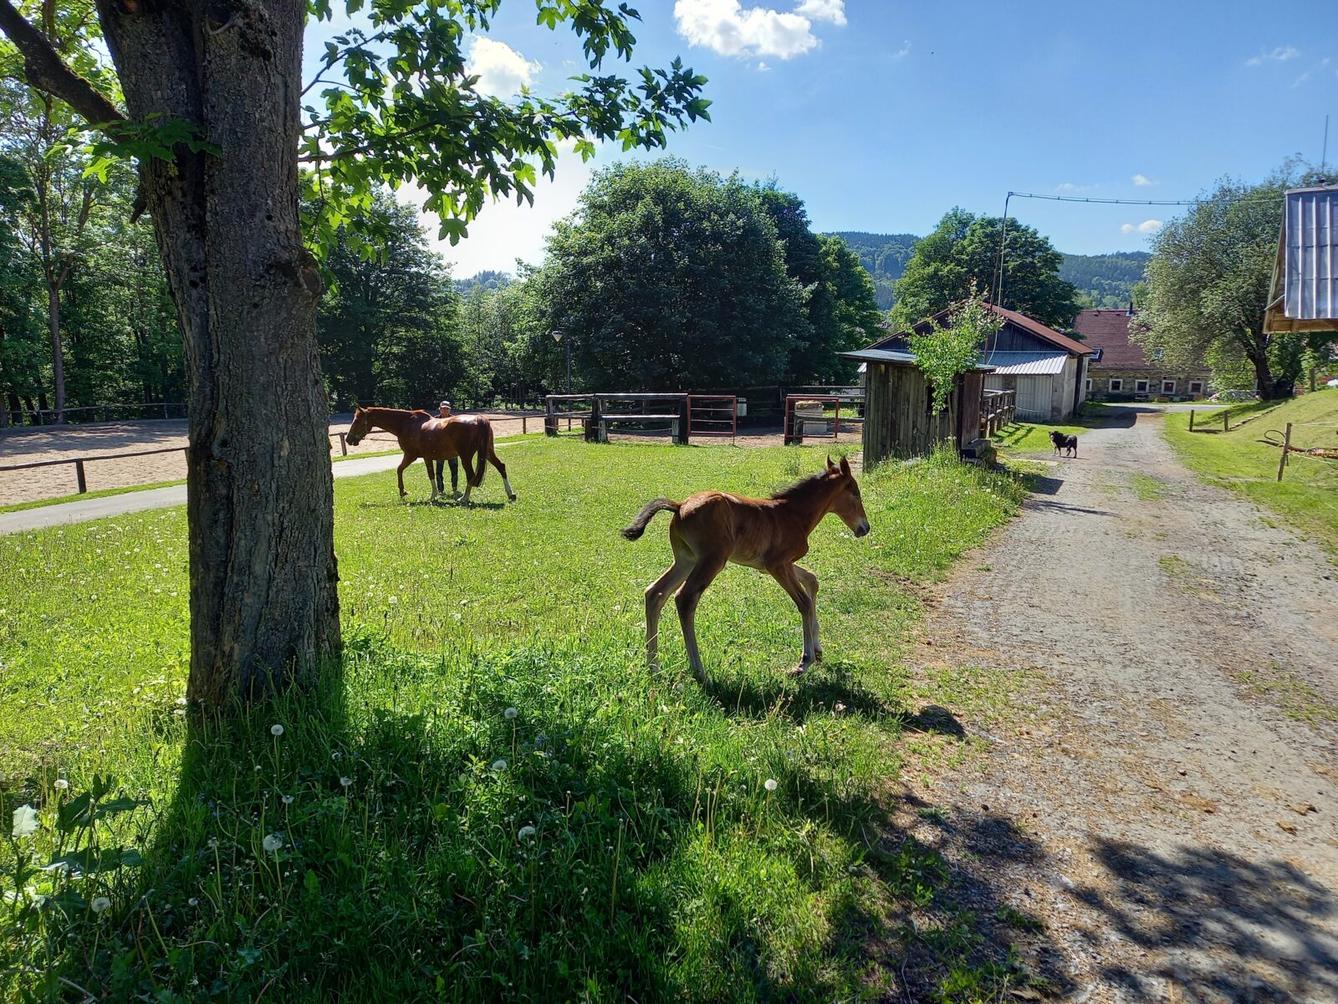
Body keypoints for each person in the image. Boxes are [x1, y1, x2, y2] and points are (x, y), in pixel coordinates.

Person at [434, 400, 460, 495]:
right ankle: (440, 490)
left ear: (449, 410)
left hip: (452, 449)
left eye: (446, 409)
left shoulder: (455, 420)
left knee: (454, 470)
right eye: (443, 408)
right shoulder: (435, 420)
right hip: (439, 450)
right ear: (440, 409)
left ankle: (454, 488)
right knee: (439, 470)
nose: (444, 410)